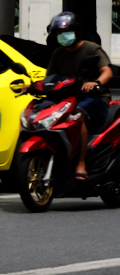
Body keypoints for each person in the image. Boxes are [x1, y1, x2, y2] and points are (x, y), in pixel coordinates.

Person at [43, 12, 114, 179]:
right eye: (59, 33)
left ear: (78, 32)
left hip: (94, 98)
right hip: (67, 99)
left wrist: (95, 83)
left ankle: (81, 163)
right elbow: (49, 78)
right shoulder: (58, 54)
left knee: (77, 116)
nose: (63, 36)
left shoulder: (90, 48)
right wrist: (32, 86)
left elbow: (107, 72)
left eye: (66, 32)